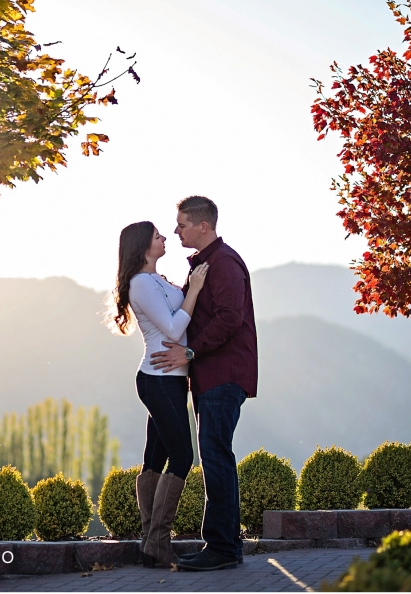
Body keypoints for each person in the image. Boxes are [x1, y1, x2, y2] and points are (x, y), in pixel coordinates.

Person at [150, 195, 258, 572]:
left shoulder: (224, 264)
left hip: (223, 374)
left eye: (181, 224)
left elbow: (230, 319)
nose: (176, 231)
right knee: (216, 455)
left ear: (203, 226)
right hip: (212, 375)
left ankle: (223, 548)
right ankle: (225, 546)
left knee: (215, 456)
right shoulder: (206, 264)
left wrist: (190, 352)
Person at [110, 221, 209, 568]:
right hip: (158, 379)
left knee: (155, 459)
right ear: (142, 246)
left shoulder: (156, 281)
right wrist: (194, 289)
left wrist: (185, 287)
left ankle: (149, 545)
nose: (165, 238)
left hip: (170, 380)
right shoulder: (140, 284)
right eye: (157, 236)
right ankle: (158, 541)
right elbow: (171, 329)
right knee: (182, 457)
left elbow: (176, 322)